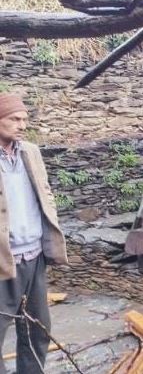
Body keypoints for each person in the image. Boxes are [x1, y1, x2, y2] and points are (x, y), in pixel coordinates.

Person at [0, 92, 67, 373]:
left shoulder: (31, 152)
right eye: (14, 119)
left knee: (37, 329)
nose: (22, 124)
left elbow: (45, 193)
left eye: (25, 119)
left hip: (35, 256)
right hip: (4, 261)